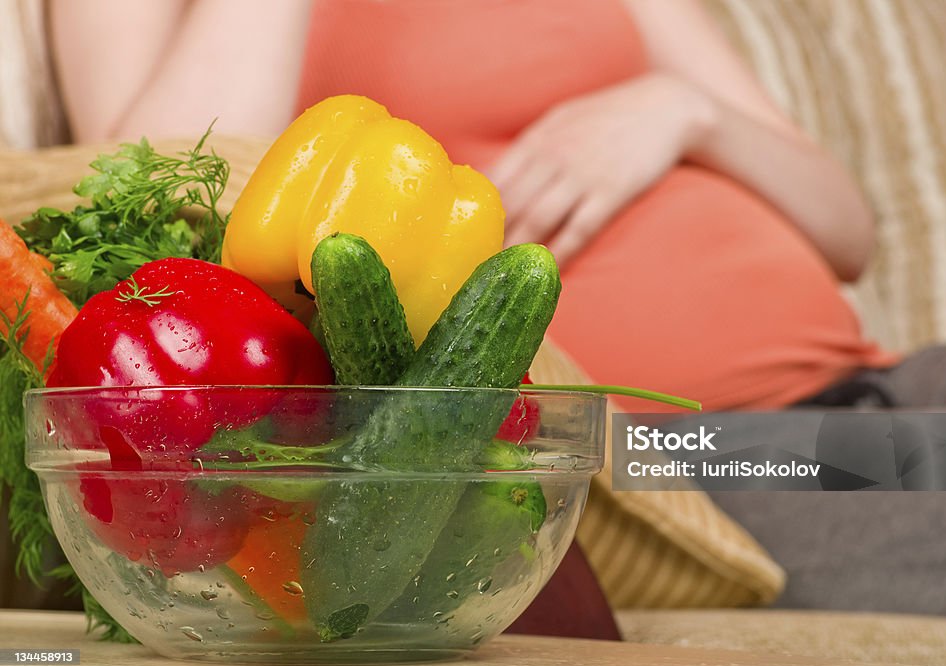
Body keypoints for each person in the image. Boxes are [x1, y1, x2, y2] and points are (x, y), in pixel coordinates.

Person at [49, 0, 895, 411]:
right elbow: (160, 200)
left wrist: (683, 109)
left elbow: (847, 230)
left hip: (869, 386)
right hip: (700, 459)